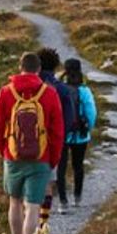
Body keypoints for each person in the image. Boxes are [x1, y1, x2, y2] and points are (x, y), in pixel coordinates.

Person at [0, 51, 63, 234]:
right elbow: (57, 131)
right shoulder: (49, 93)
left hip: (13, 157)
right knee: (33, 207)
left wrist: (5, 150)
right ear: (38, 69)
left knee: (14, 203)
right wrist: (52, 159)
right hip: (41, 158)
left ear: (19, 67)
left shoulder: (6, 92)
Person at [35, 48, 78, 219]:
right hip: (54, 140)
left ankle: (29, 213)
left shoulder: (29, 87)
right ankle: (55, 208)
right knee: (56, 173)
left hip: (26, 140)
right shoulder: (62, 89)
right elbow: (69, 119)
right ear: (55, 66)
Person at [59, 57, 98, 206]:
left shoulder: (60, 89)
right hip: (80, 135)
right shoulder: (85, 91)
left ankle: (62, 201)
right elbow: (91, 113)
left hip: (62, 134)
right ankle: (77, 197)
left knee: (61, 168)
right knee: (78, 166)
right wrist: (88, 128)